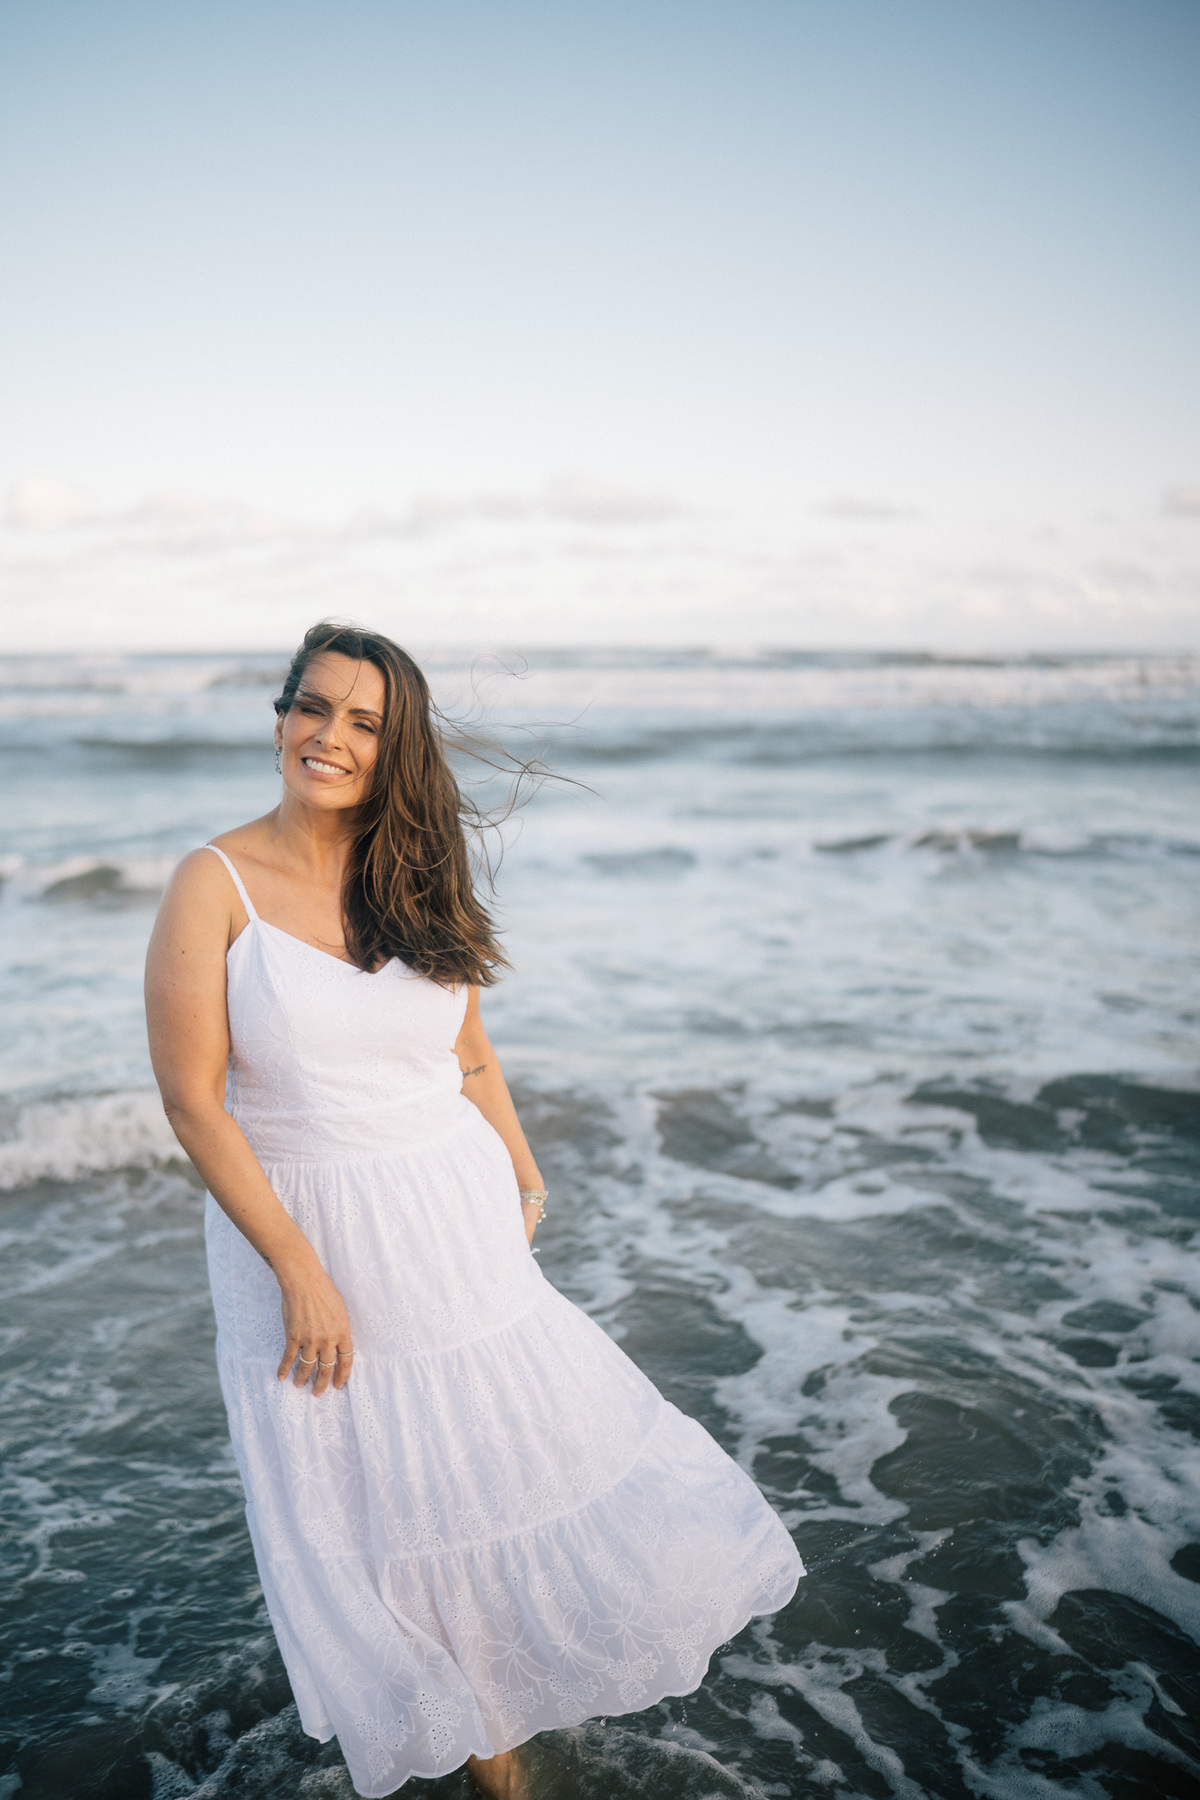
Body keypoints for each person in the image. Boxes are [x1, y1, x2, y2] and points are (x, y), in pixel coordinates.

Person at [145, 621, 802, 1798]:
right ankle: (479, 1749)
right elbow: (195, 1104)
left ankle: (496, 1718)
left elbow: (473, 1056)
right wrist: (299, 1268)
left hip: (453, 1228)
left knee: (485, 1475)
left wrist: (524, 1179)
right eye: (313, 707)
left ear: (393, 748)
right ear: (279, 717)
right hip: (301, 1233)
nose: (330, 737)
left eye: (364, 722)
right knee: (373, 1504)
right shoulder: (214, 881)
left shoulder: (414, 872)